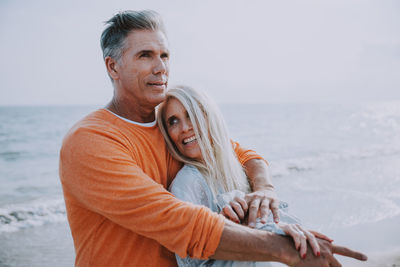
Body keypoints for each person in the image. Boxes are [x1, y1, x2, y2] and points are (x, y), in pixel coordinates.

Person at [59, 10, 368, 267]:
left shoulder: (170, 130)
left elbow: (241, 154)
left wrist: (264, 191)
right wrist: (281, 248)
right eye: (145, 55)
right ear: (113, 66)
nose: (161, 67)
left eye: (165, 55)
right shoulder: (91, 140)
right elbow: (173, 218)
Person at [157, 85, 337, 266]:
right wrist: (231, 229)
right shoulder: (186, 182)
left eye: (191, 115)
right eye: (173, 121)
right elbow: (189, 261)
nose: (185, 128)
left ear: (210, 117)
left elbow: (272, 215)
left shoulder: (235, 167)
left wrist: (288, 231)